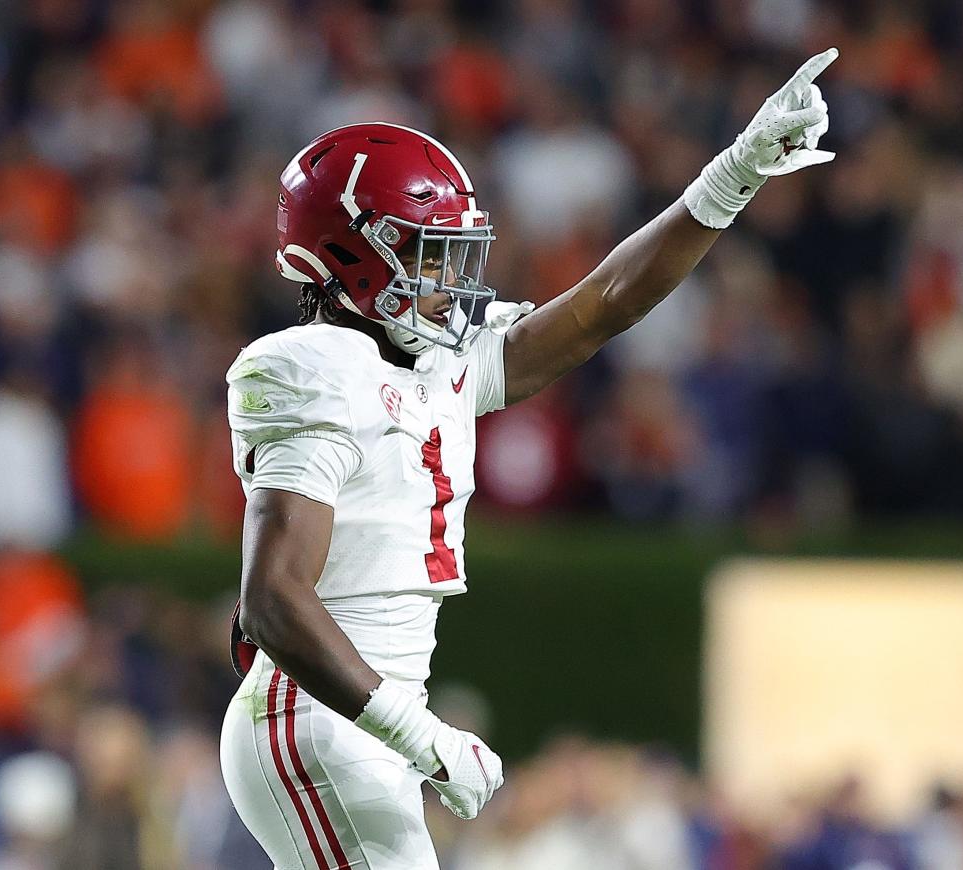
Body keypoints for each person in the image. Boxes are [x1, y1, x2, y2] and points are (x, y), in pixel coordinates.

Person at [218, 49, 840, 870]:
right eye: (427, 255)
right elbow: (271, 599)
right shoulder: (311, 367)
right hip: (319, 721)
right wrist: (420, 735)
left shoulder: (435, 364)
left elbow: (599, 307)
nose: (450, 280)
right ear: (350, 255)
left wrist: (735, 174)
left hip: (355, 719)